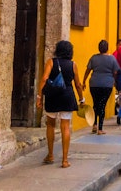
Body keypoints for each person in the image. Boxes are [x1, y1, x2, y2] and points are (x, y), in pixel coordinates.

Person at [36, 39, 84, 168]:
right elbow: (78, 85)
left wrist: (39, 97)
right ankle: (64, 160)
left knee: (50, 125)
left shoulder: (51, 62)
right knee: (65, 127)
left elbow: (44, 79)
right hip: (67, 96)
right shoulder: (73, 65)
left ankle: (50, 155)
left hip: (53, 96)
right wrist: (81, 99)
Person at [82, 39, 120, 135]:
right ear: (107, 48)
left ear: (99, 48)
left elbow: (88, 70)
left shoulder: (93, 58)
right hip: (106, 85)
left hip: (94, 84)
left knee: (95, 104)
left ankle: (94, 125)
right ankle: (100, 128)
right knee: (102, 105)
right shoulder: (112, 59)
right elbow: (116, 72)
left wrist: (84, 81)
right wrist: (114, 81)